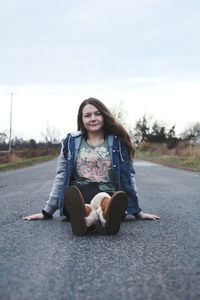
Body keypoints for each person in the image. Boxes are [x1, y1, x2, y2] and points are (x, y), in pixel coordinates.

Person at [23, 97, 160, 235]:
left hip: (109, 196)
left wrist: (137, 211)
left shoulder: (118, 142)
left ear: (104, 116)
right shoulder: (71, 142)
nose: (93, 118)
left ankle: (105, 216)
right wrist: (47, 211)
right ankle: (86, 215)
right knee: (76, 199)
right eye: (87, 115)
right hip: (78, 196)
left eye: (97, 114)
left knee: (105, 198)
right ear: (81, 119)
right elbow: (61, 176)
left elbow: (128, 176)